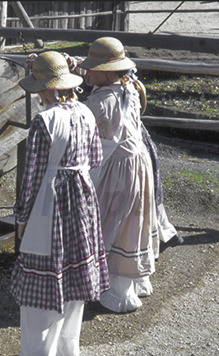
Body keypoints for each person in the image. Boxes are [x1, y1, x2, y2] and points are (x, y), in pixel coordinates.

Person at [11, 51, 109, 356]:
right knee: (73, 276)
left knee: (42, 283)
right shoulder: (85, 111)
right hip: (82, 198)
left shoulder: (44, 121)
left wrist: (21, 217)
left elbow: (32, 176)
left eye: (38, 88)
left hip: (48, 203)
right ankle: (68, 348)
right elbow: (94, 158)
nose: (36, 94)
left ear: (49, 89)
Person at [65, 37, 160, 313]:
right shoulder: (128, 85)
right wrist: (76, 67)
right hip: (138, 162)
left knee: (113, 219)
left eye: (92, 68)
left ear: (106, 72)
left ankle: (118, 291)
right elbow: (95, 77)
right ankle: (134, 280)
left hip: (119, 169)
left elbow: (77, 125)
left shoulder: (101, 101)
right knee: (133, 219)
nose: (87, 72)